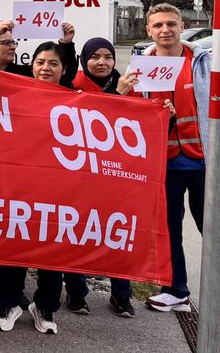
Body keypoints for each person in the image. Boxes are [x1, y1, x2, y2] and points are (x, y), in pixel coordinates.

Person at [139, 3, 220, 332]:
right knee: (168, 231)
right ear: (149, 31)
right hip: (164, 166)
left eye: (171, 23)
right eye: (158, 25)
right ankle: (175, 290)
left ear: (182, 25)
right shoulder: (144, 66)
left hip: (205, 164)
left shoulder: (203, 60)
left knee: (216, 231)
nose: (165, 29)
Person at [0, 42, 85, 336]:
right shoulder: (16, 96)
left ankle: (44, 307)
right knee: (13, 248)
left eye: (53, 63)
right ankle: (8, 305)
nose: (46, 68)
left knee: (52, 253)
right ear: (32, 66)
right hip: (20, 186)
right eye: (40, 62)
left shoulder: (77, 101)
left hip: (59, 188)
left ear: (64, 69)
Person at [67, 37, 140, 318]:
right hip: (81, 178)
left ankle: (122, 295)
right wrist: (118, 97)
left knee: (119, 235)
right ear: (85, 60)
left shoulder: (131, 88)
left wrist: (164, 116)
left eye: (108, 56)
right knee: (79, 234)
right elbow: (93, 123)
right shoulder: (72, 88)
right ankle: (76, 293)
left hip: (118, 179)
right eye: (95, 56)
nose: (102, 62)